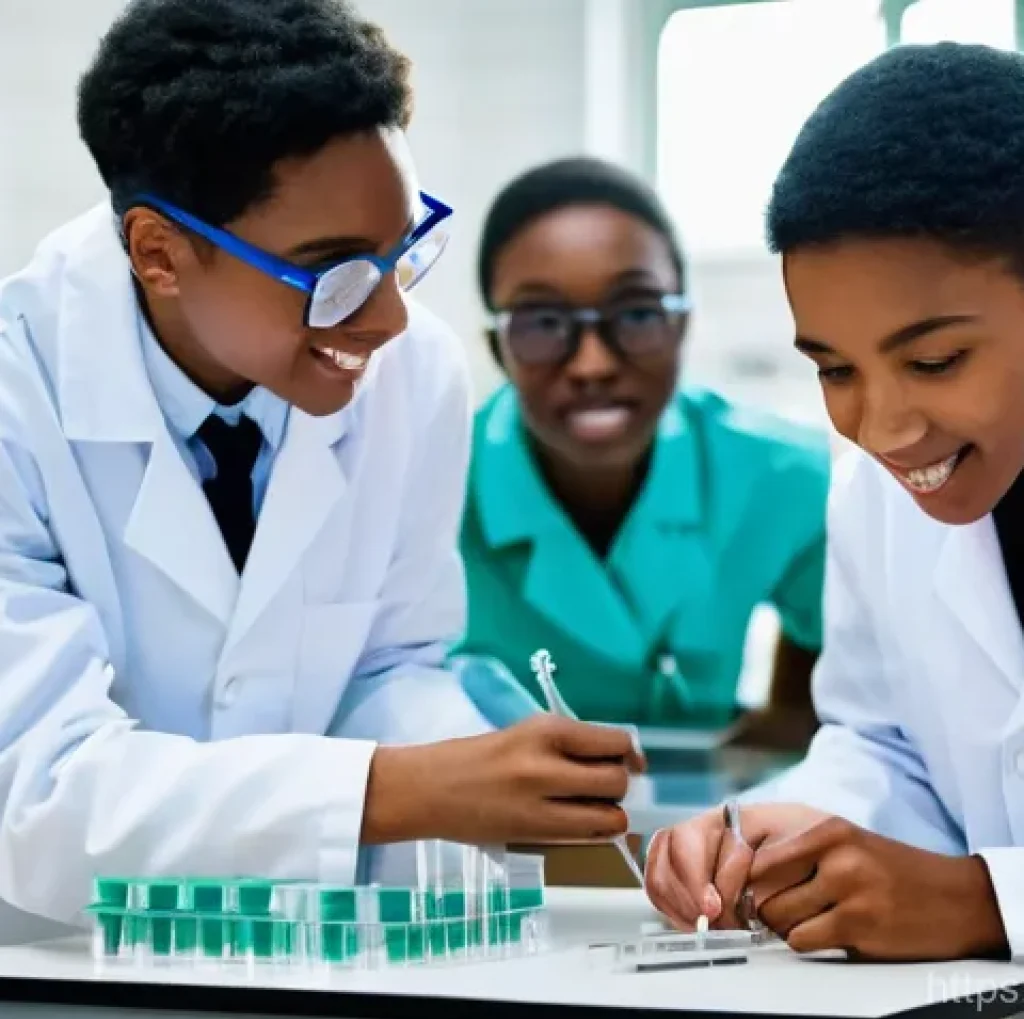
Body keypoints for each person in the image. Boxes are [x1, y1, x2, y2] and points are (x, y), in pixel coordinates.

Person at [0, 0, 643, 929]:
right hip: (45, 956)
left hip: (308, 944)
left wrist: (484, 771)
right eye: (334, 270)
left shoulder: (410, 372)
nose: (384, 317)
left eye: (398, 252)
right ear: (159, 254)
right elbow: (40, 796)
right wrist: (400, 790)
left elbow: (390, 664)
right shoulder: (21, 392)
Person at [645, 42, 1024, 965]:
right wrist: (783, 838)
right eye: (835, 369)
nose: (884, 426)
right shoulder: (880, 493)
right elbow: (889, 746)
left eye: (935, 361)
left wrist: (991, 903)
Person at [453, 157, 830, 747]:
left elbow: (835, 645)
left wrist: (780, 722)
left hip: (704, 815)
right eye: (543, 322)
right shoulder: (435, 484)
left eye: (636, 314)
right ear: (498, 347)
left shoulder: (783, 475)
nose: (593, 364)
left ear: (682, 327)